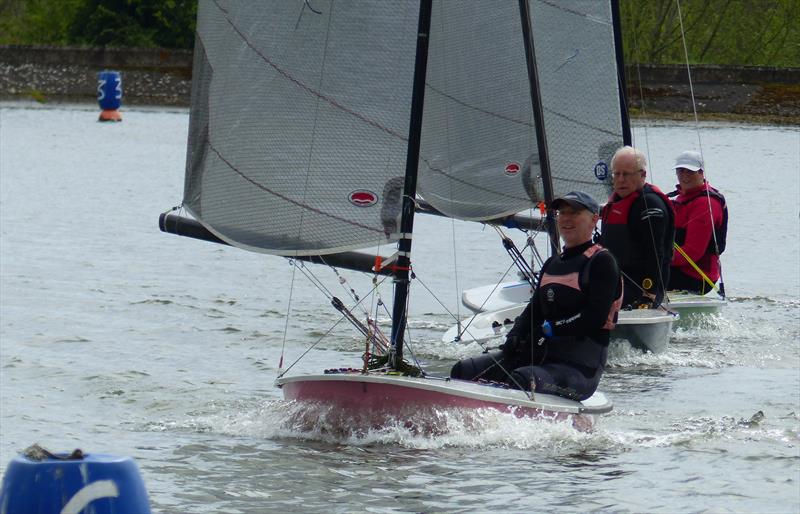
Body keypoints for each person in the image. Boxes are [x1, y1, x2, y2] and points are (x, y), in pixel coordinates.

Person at [450, 191, 621, 401]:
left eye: (575, 213)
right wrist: (515, 336)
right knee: (464, 370)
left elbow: (593, 317)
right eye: (562, 212)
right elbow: (534, 309)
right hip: (540, 359)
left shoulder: (602, 262)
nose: (566, 218)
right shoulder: (552, 264)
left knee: (522, 380)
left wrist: (551, 330)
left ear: (594, 219)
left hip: (580, 369)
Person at [598, 146, 675, 308]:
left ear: (643, 175)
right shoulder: (614, 203)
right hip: (615, 281)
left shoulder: (650, 205)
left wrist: (650, 293)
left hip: (641, 287)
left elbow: (655, 252)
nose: (620, 179)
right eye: (616, 174)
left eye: (626, 174)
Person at [667, 150, 727, 294]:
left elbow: (692, 252)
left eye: (690, 171)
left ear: (701, 172)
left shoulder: (705, 204)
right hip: (678, 268)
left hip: (697, 277)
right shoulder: (681, 198)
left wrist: (656, 260)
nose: (684, 176)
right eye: (681, 171)